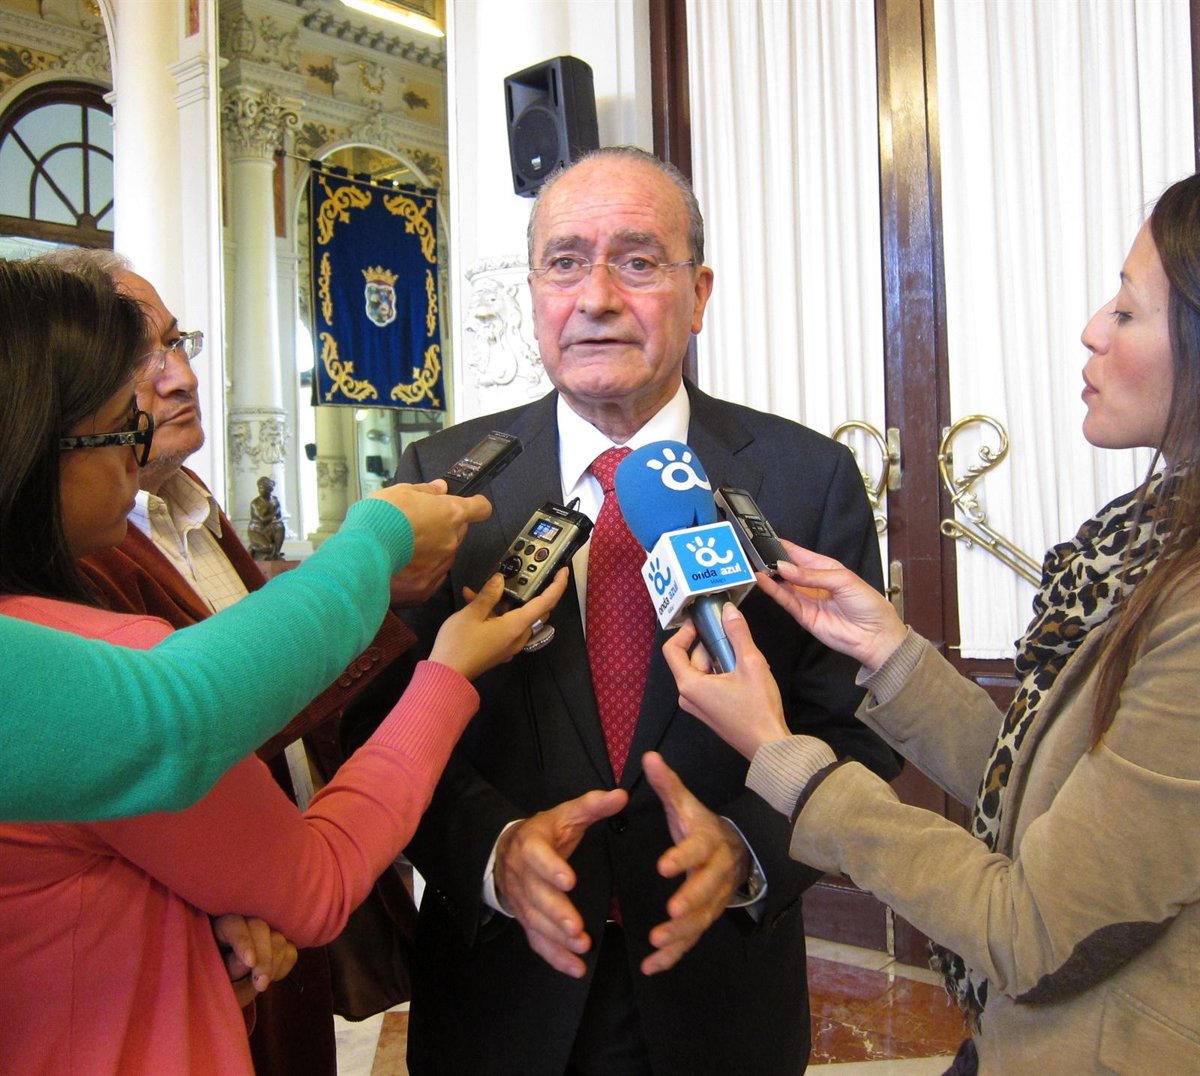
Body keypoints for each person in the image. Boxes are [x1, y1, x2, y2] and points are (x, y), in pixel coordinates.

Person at [358, 146, 900, 1075]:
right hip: (499, 997)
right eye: (565, 262)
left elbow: (855, 727)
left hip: (719, 998)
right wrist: (491, 850)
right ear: (534, 291)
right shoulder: (438, 485)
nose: (597, 298)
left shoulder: (806, 481)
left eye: (638, 262)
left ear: (699, 293)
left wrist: (750, 846)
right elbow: (384, 722)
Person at [662, 174, 1200, 1074]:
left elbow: (1030, 927)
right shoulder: (1146, 544)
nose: (1092, 330)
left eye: (1128, 310)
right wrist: (893, 654)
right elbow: (1053, 797)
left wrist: (781, 756)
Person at [0, 255, 568, 1073]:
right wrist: (395, 581)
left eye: (175, 344)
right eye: (122, 424)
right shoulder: (85, 641)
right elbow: (186, 721)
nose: (162, 399)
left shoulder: (184, 518)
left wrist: (190, 900)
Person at [57, 249, 452, 1072]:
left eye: (177, 343)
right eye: (136, 360)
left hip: (272, 941)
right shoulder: (72, 559)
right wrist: (439, 663)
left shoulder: (194, 508)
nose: (179, 378)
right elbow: (207, 721)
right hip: (188, 963)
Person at [248, 475, 286, 559]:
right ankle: (253, 548)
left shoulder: (275, 500)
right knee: (268, 547)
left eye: (263, 488)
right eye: (260, 488)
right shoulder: (255, 503)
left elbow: (279, 517)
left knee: (280, 527)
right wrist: (274, 514)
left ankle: (276, 553)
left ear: (270, 489)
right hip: (257, 530)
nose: (261, 490)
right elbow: (262, 519)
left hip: (270, 527)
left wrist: (275, 521)